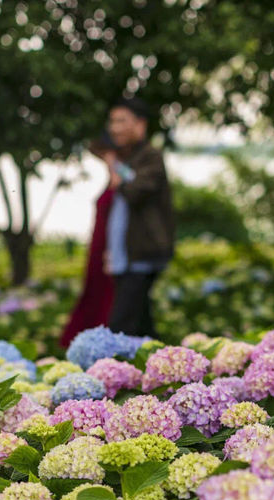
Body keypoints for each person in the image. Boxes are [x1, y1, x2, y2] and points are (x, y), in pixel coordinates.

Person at [105, 96, 174, 337]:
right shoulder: (128, 158)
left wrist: (118, 175)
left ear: (140, 124)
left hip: (143, 256)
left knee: (120, 326)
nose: (114, 128)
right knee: (141, 329)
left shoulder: (150, 156)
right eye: (112, 121)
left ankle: (108, 372)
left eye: (121, 121)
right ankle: (165, 370)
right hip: (125, 258)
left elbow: (137, 191)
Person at [59, 132, 118, 348]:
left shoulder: (121, 173)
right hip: (98, 245)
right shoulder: (112, 173)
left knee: (104, 295)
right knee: (94, 291)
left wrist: (113, 161)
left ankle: (100, 343)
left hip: (108, 247)